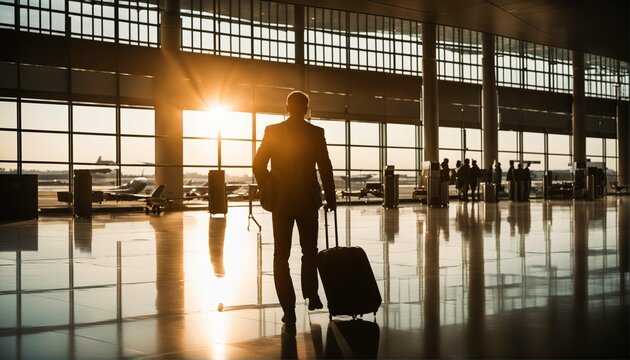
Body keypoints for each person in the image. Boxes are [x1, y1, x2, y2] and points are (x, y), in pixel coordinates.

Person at [253, 91, 337, 329]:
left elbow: (258, 164)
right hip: (307, 200)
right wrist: (330, 197)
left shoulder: (273, 131)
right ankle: (311, 296)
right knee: (309, 251)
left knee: (281, 255)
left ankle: (288, 309)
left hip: (281, 201)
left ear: (287, 107)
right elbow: (325, 167)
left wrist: (269, 187)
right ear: (307, 108)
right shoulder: (315, 133)